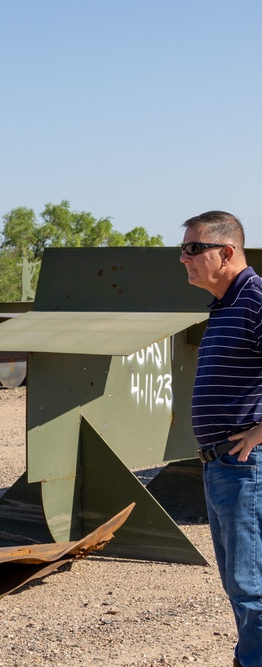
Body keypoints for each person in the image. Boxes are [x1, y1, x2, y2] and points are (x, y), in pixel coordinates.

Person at [182, 210, 262, 667]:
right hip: (222, 465)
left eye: (194, 248)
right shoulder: (226, 304)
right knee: (239, 582)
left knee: (251, 584)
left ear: (226, 252)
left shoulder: (255, 300)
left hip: (245, 466)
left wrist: (257, 432)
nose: (183, 258)